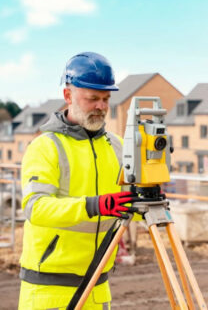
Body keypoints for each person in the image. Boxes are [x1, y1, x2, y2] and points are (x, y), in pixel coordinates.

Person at [18, 52, 138, 309]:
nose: (101, 106)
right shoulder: (45, 147)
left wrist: (149, 200)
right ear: (68, 96)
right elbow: (35, 207)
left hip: (97, 288)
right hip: (49, 292)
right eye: (92, 98)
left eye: (106, 99)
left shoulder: (116, 147)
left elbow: (129, 208)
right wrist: (92, 205)